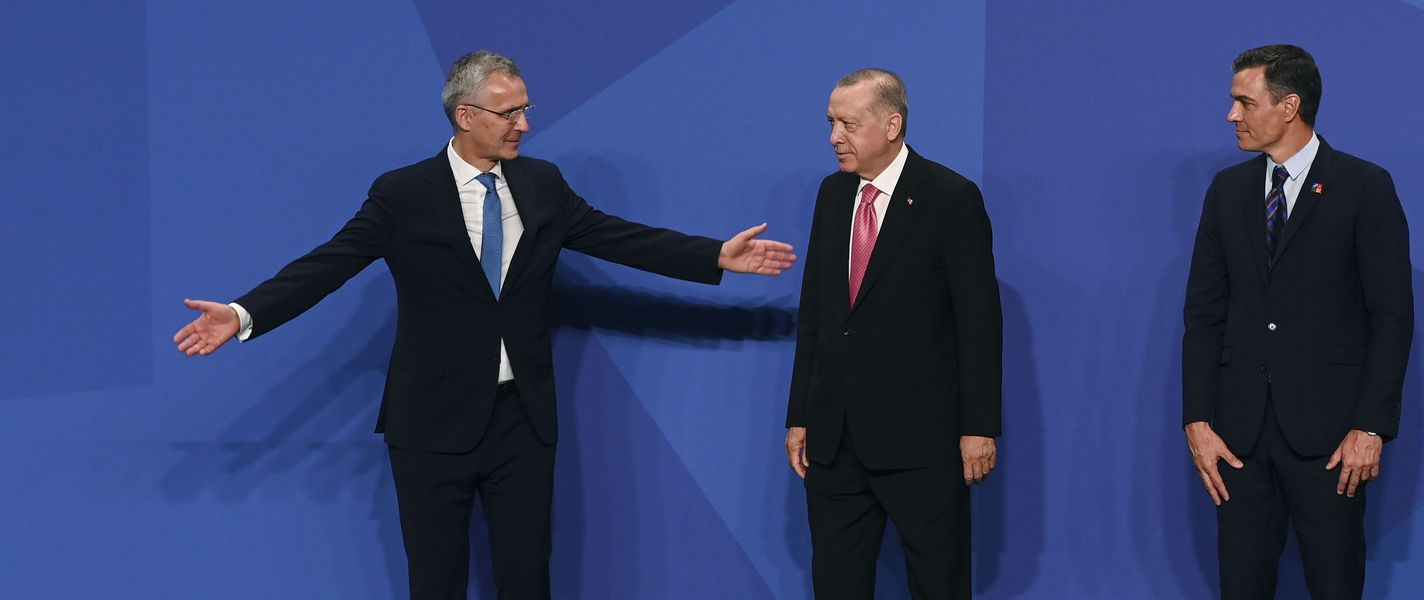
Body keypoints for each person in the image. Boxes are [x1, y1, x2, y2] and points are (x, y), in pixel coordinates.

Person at [169, 50, 796, 600]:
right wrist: (244, 312)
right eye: (509, 113)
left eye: (525, 109)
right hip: (430, 424)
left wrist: (714, 255)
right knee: (436, 580)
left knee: (527, 576)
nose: (525, 124)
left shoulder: (542, 183)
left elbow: (617, 237)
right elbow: (327, 265)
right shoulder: (403, 194)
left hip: (521, 419)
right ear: (465, 116)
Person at [1180, 44, 1414, 600]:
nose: (1231, 115)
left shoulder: (1363, 186)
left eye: (1244, 101)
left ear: (1289, 106)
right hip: (1237, 439)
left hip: (1332, 441)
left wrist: (1371, 426)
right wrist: (1197, 421)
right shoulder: (1227, 191)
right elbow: (1204, 314)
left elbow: (1392, 315)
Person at [783, 68, 1002, 600]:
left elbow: (980, 323)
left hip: (922, 443)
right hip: (835, 444)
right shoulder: (832, 195)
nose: (834, 137)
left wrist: (979, 426)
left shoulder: (951, 197)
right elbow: (815, 313)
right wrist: (800, 416)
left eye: (847, 124)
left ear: (892, 124)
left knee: (938, 585)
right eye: (831, 122)